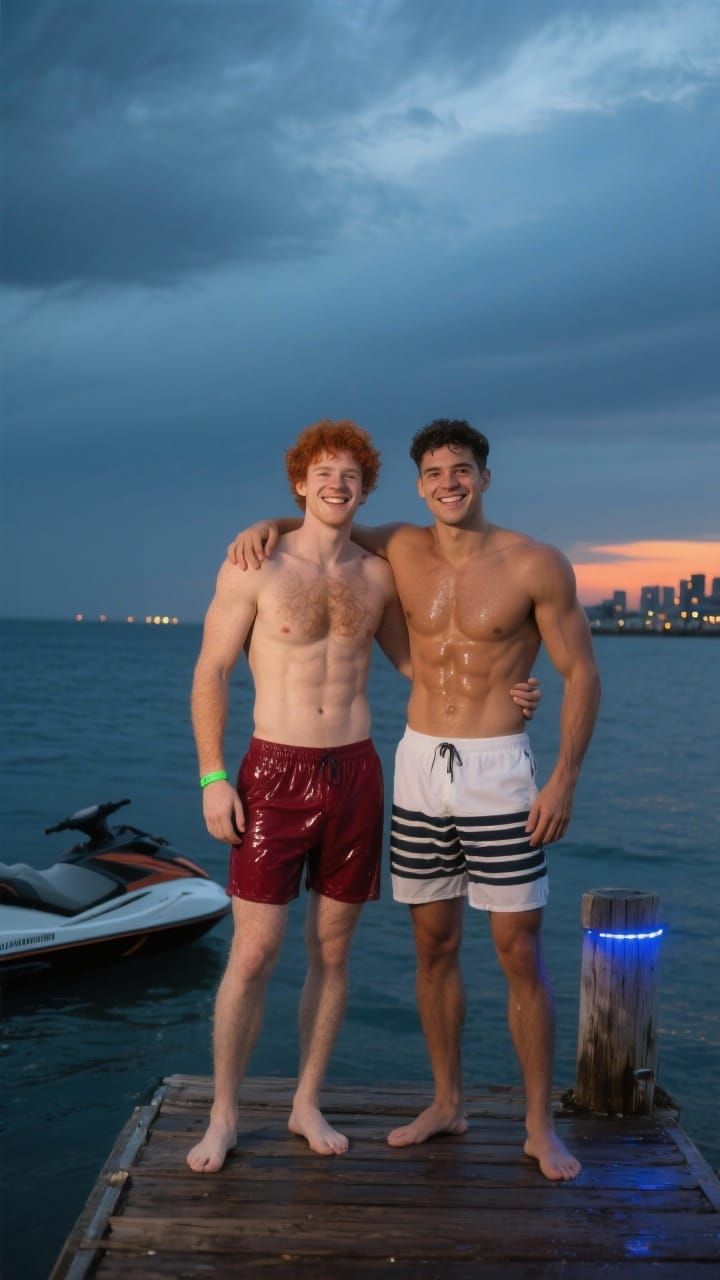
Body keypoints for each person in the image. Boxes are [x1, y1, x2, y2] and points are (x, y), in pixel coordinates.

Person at [228, 418, 601, 1182]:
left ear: (485, 477)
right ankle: (446, 1102)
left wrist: (563, 776)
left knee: (519, 950)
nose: (448, 483)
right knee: (433, 947)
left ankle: (539, 1125)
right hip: (419, 764)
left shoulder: (536, 563)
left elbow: (584, 673)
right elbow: (320, 521)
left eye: (461, 470)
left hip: (501, 768)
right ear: (419, 483)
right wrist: (260, 526)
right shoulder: (398, 547)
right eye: (433, 473)